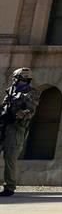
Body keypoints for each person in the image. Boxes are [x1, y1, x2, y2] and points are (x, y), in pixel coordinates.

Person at [0, 68, 38, 197]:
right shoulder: (11, 91)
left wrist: (22, 114)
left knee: (10, 158)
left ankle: (9, 187)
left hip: (16, 128)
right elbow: (4, 105)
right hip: (3, 125)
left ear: (23, 79)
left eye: (16, 78)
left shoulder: (30, 93)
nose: (14, 80)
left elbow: (31, 111)